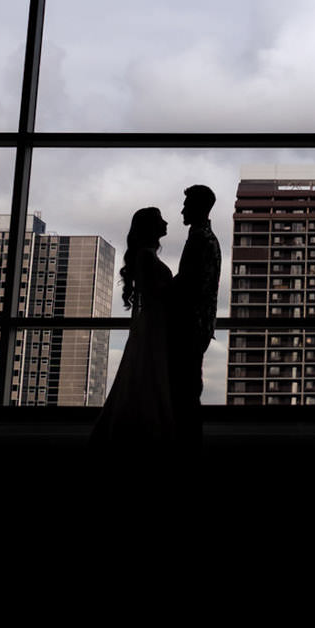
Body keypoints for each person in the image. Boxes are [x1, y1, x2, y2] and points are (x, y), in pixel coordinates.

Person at [90, 208, 176, 449]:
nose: (166, 222)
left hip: (152, 324)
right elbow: (157, 294)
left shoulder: (144, 256)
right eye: (161, 220)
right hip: (154, 325)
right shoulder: (147, 258)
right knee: (149, 374)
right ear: (151, 227)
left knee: (144, 374)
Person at [169, 184, 220, 442]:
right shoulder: (205, 238)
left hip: (190, 325)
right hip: (199, 325)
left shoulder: (200, 239)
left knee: (185, 390)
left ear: (199, 208)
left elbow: (188, 283)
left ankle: (188, 443)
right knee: (189, 387)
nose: (182, 210)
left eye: (187, 205)